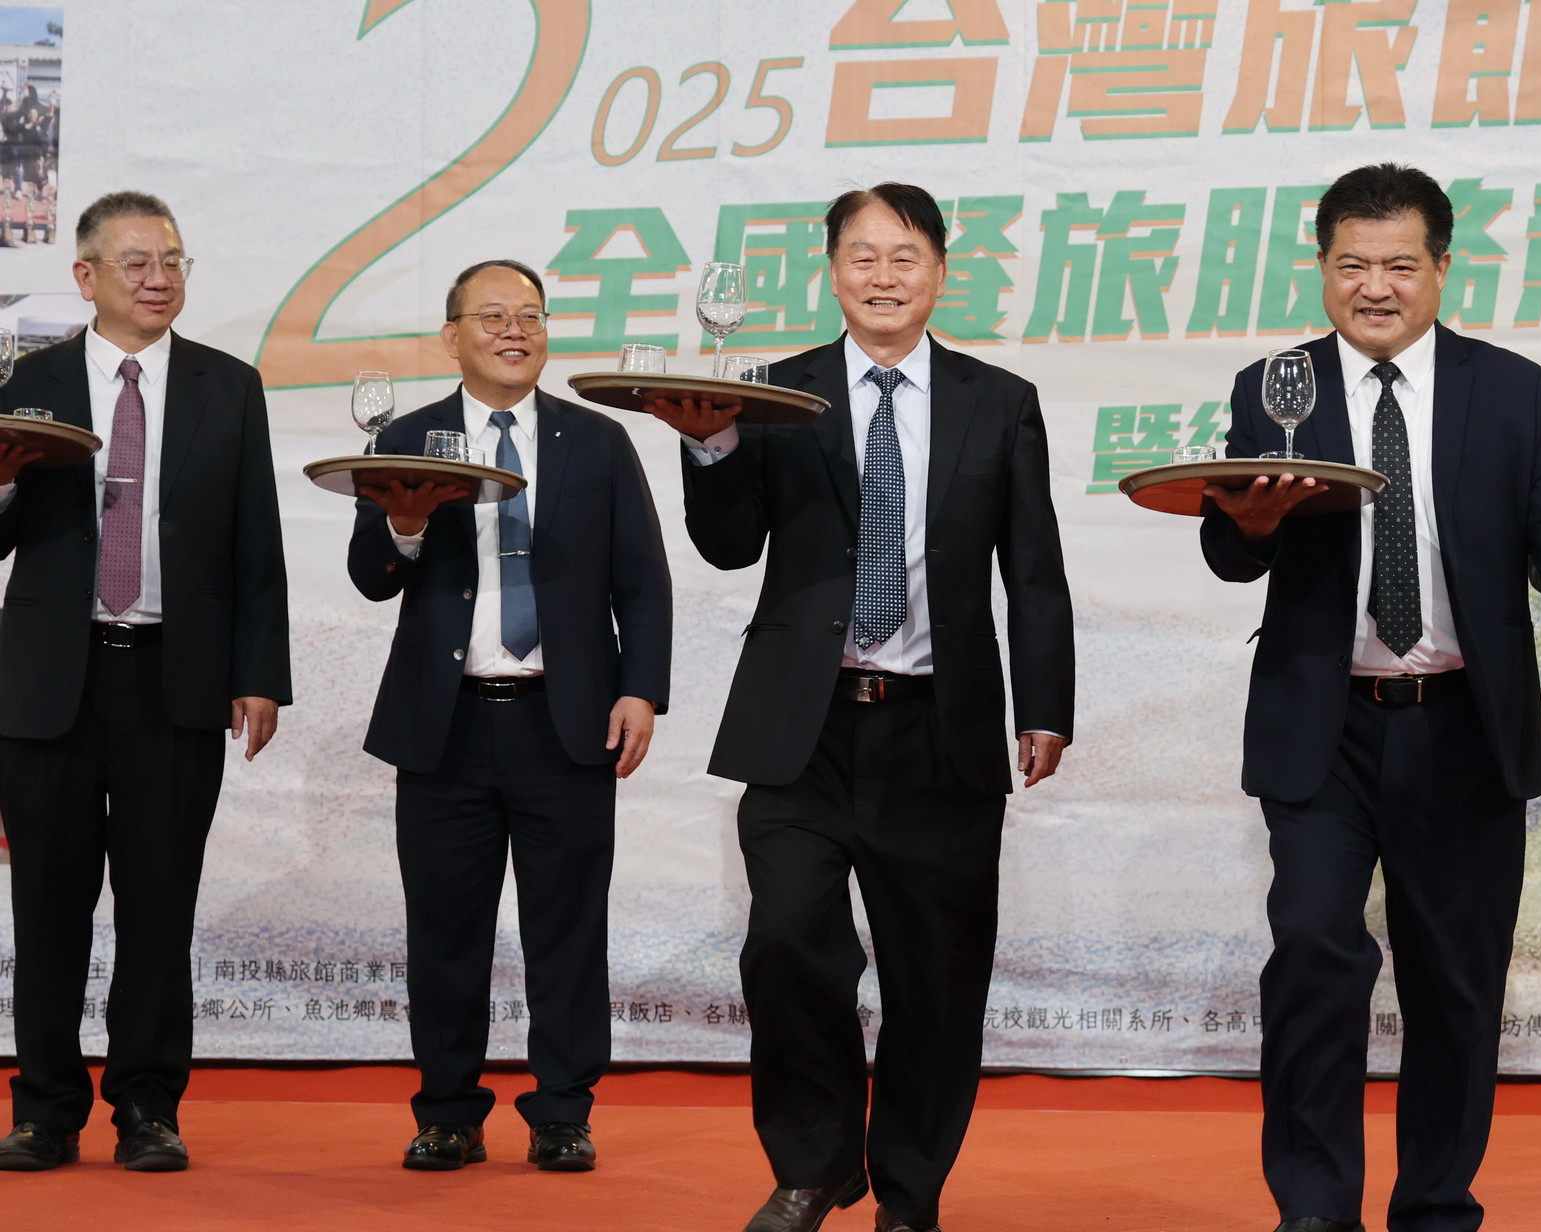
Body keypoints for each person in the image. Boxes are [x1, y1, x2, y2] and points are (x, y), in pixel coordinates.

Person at [1199, 162, 1541, 1232]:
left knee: (1455, 980)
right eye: (1351, 264)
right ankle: (1314, 1207)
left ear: (1440, 267)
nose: (1374, 287)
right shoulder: (1277, 385)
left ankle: (1435, 1205)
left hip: (1463, 725)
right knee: (1312, 947)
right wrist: (1248, 526)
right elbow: (1230, 547)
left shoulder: (1510, 389)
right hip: (1323, 725)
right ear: (1321, 268)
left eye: (1398, 264)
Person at [648, 182, 1073, 1232]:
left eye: (904, 256)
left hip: (940, 730)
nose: (883, 277)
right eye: (862, 257)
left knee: (937, 978)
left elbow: (1033, 570)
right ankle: (813, 1163)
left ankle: (910, 1192)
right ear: (832, 270)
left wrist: (1045, 706)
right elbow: (728, 545)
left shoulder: (998, 400)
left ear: (941, 271)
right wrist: (709, 447)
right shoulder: (774, 392)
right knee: (788, 946)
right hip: (804, 727)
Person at [346, 259, 672, 1173]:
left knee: (567, 931)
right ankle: (448, 1112)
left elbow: (643, 581)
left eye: (529, 315)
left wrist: (640, 689)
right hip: (443, 726)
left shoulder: (596, 441)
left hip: (564, 722)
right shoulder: (408, 438)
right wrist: (407, 525)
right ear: (452, 336)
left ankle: (562, 1111)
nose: (514, 331)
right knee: (444, 932)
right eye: (491, 317)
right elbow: (371, 576)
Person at [0, 191, 290, 1171]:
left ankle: (147, 1106)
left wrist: (259, 673)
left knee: (159, 907)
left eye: (172, 260)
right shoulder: (29, 381)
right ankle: (44, 1109)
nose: (158, 278)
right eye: (136, 263)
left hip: (177, 677)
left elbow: (257, 542)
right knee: (48, 906)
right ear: (85, 276)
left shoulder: (227, 385)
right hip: (50, 680)